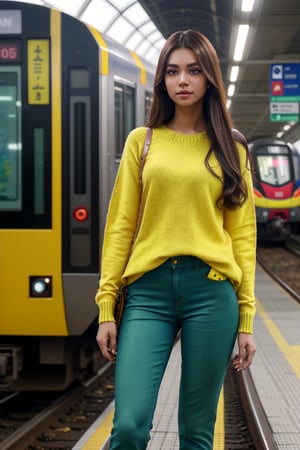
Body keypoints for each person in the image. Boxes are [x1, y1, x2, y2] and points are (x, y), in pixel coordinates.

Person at [95, 29, 256, 450]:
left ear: (209, 80)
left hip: (212, 292)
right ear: (162, 80)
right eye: (172, 71)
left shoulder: (231, 149)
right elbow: (120, 226)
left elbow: (242, 237)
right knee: (129, 426)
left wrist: (246, 320)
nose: (182, 80)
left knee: (197, 434)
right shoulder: (141, 142)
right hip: (148, 293)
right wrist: (107, 306)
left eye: (193, 70)